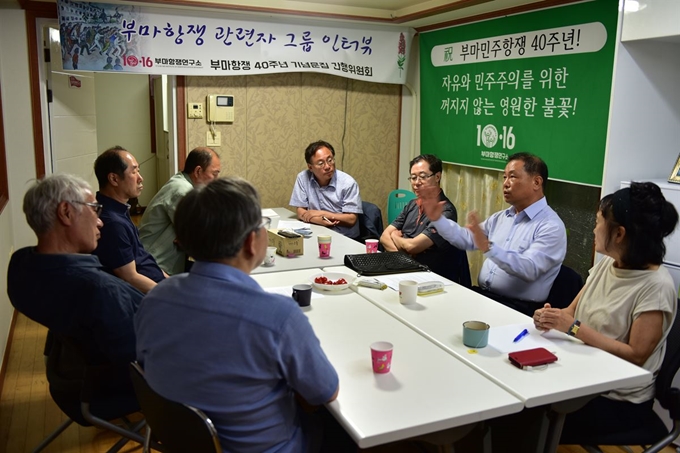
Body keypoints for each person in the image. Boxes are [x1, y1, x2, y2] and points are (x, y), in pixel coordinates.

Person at [135, 177, 339, 452]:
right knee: (339, 428)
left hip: (181, 441)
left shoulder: (154, 299)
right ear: (250, 242)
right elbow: (326, 391)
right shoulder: (277, 316)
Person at [534, 182, 678, 443]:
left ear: (619, 234)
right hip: (581, 374)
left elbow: (636, 355)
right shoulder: (608, 264)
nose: (593, 228)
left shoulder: (656, 287)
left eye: (599, 222)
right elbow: (570, 312)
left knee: (531, 419)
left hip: (615, 400)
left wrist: (572, 326)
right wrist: (551, 317)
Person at [7, 173, 143, 367]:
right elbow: (141, 358)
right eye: (95, 209)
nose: (100, 221)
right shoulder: (101, 290)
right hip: (123, 389)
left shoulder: (22, 266)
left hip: (75, 376)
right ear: (66, 212)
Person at [421, 152, 567, 316]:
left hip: (518, 309)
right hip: (484, 297)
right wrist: (438, 219)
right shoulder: (501, 217)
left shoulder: (551, 226)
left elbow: (529, 268)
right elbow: (467, 239)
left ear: (536, 182)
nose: (505, 184)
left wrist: (489, 247)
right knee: (436, 311)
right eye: (504, 177)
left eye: (512, 177)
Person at [380, 154, 470, 285]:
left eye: (422, 177)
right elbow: (384, 237)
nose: (416, 183)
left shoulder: (446, 212)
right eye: (413, 177)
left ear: (437, 177)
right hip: (404, 272)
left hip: (429, 280)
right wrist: (404, 257)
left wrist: (396, 237)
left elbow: (413, 246)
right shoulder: (412, 204)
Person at [93, 146, 166, 293]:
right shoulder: (113, 223)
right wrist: (169, 295)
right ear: (114, 179)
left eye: (138, 170)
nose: (140, 178)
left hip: (158, 284)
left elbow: (142, 258)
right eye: (134, 172)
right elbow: (130, 277)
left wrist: (171, 282)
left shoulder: (119, 210)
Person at [139, 147, 221, 275]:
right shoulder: (182, 190)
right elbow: (199, 237)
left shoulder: (182, 181)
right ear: (198, 171)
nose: (216, 180)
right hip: (155, 266)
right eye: (214, 174)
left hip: (163, 261)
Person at [289, 140, 363, 240]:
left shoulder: (348, 183)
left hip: (344, 237)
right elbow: (300, 211)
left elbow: (351, 219)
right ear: (310, 167)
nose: (328, 166)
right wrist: (318, 219)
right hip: (317, 233)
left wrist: (322, 214)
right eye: (321, 163)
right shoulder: (303, 178)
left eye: (330, 160)